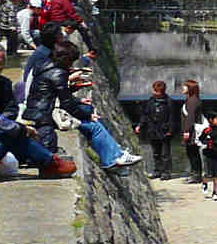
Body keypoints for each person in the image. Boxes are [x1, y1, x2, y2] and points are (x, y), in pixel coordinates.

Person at [23, 42, 139, 171]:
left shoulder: (44, 67)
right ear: (66, 59)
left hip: (37, 111)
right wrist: (88, 116)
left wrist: (76, 96)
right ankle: (113, 158)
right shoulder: (58, 73)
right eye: (71, 61)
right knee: (93, 125)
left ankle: (115, 155)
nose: (71, 64)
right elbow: (67, 104)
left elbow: (53, 94)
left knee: (90, 117)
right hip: (45, 116)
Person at [136, 80, 180, 179]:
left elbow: (173, 118)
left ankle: (166, 172)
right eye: (154, 91)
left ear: (161, 92)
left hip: (164, 130)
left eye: (156, 91)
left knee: (165, 153)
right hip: (152, 130)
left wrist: (171, 131)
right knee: (156, 153)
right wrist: (140, 125)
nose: (154, 92)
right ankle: (157, 170)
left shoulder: (170, 102)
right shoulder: (151, 101)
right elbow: (145, 115)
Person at [179, 79, 205, 184]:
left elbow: (191, 117)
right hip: (192, 130)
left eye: (185, 86)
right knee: (191, 152)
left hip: (192, 131)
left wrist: (186, 131)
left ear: (190, 88)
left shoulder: (192, 101)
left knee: (193, 153)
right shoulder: (192, 99)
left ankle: (196, 175)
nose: (183, 88)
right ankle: (194, 174)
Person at [198, 111, 217, 200]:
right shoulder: (207, 130)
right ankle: (204, 182)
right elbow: (200, 140)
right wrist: (206, 144)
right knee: (208, 173)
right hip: (208, 154)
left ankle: (215, 192)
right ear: (211, 120)